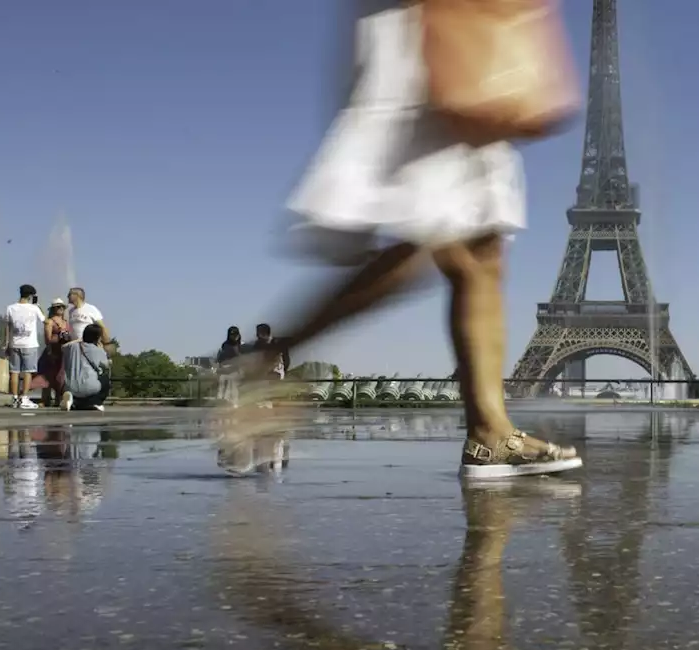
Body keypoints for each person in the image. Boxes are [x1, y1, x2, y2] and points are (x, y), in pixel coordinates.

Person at [229, 0, 581, 479]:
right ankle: (270, 359)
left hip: (465, 28)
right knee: (434, 234)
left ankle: (489, 432)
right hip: (432, 28)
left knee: (481, 246)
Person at [1, 284, 46, 410]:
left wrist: (6, 343)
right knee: (28, 372)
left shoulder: (10, 308)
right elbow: (45, 320)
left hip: (14, 343)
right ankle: (24, 398)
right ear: (31, 296)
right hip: (29, 344)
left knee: (14, 372)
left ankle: (15, 398)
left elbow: (7, 327)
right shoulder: (34, 308)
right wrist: (38, 307)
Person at [60, 323, 111, 411]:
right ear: (97, 337)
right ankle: (95, 402)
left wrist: (79, 340)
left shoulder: (72, 347)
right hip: (89, 386)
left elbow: (63, 347)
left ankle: (72, 401)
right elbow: (106, 365)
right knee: (105, 379)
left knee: (79, 390)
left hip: (70, 386)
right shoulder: (97, 350)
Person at [38, 298, 73, 408]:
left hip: (63, 352)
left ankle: (59, 399)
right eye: (58, 307)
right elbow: (47, 339)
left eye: (62, 307)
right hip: (52, 351)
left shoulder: (66, 323)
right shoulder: (50, 322)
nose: (61, 309)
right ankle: (45, 399)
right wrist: (59, 338)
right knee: (48, 375)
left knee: (61, 376)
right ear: (53, 309)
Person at [216, 326, 245, 408]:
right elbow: (221, 358)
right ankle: (223, 403)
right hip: (226, 369)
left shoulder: (241, 345)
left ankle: (235, 404)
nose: (234, 337)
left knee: (235, 388)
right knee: (223, 387)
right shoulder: (225, 345)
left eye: (235, 335)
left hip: (236, 369)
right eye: (232, 335)